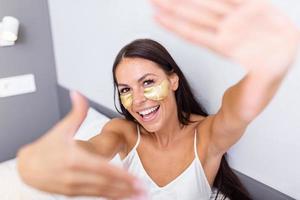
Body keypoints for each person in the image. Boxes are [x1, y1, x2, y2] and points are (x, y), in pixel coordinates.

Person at [17, 0, 299, 199]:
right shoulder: (124, 132)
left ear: (173, 81)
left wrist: (266, 70)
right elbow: (91, 149)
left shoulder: (205, 136)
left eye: (148, 83)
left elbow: (236, 112)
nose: (138, 100)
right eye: (125, 89)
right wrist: (39, 163)